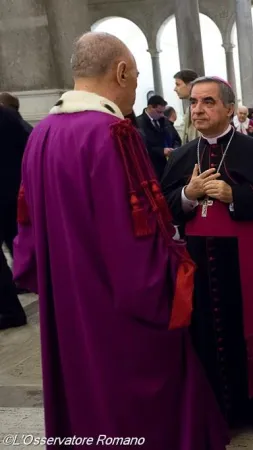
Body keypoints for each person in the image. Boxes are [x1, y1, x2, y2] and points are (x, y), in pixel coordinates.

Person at [12, 32, 229, 449]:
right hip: (116, 306)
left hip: (68, 302)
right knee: (140, 395)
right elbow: (139, 235)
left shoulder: (41, 135)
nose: (133, 89)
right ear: (122, 71)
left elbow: (27, 231)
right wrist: (171, 281)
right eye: (135, 77)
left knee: (83, 388)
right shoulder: (115, 133)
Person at [161, 76, 253, 432]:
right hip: (199, 260)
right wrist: (187, 194)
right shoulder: (181, 156)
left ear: (228, 108)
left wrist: (235, 196)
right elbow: (164, 209)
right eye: (193, 102)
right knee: (206, 334)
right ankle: (214, 409)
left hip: (248, 257)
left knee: (251, 329)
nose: (198, 109)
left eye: (208, 102)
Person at [0, 105, 29, 330]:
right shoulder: (8, 115)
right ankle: (25, 280)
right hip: (15, 191)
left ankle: (11, 310)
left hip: (5, 193)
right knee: (17, 241)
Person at [137, 95, 182, 179]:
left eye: (163, 112)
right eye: (159, 112)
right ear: (150, 107)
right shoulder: (139, 124)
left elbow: (176, 138)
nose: (162, 115)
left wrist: (176, 149)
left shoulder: (164, 121)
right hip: (151, 169)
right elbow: (141, 147)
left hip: (168, 166)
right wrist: (161, 151)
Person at [174, 69, 200, 143]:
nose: (175, 89)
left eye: (178, 84)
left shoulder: (203, 109)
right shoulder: (189, 109)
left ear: (190, 85)